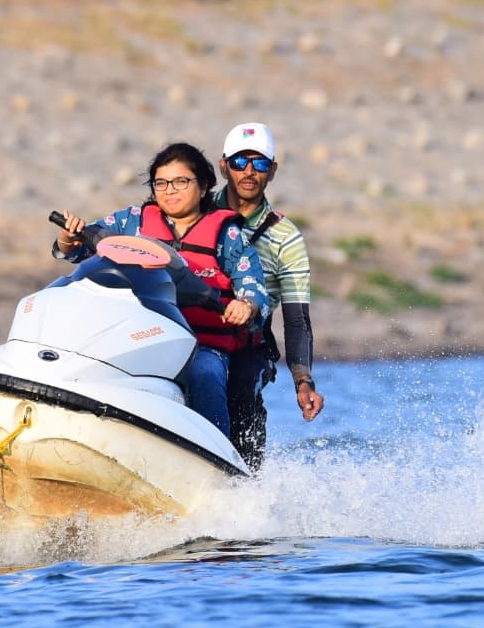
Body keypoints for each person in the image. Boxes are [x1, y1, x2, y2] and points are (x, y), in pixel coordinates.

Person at [54, 142, 270, 437]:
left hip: (199, 344)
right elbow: (77, 251)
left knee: (206, 373)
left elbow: (254, 287)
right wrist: (68, 236)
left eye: (181, 181)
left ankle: (216, 452)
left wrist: (246, 304)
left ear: (204, 185)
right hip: (138, 334)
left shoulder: (226, 234)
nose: (170, 190)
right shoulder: (131, 221)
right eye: (161, 183)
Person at [213, 122, 324, 470]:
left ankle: (244, 483)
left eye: (259, 164)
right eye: (239, 162)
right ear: (223, 166)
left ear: (272, 170)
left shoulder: (285, 236)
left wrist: (303, 381)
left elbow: (297, 319)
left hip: (248, 345)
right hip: (192, 330)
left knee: (242, 389)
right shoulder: (197, 212)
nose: (249, 172)